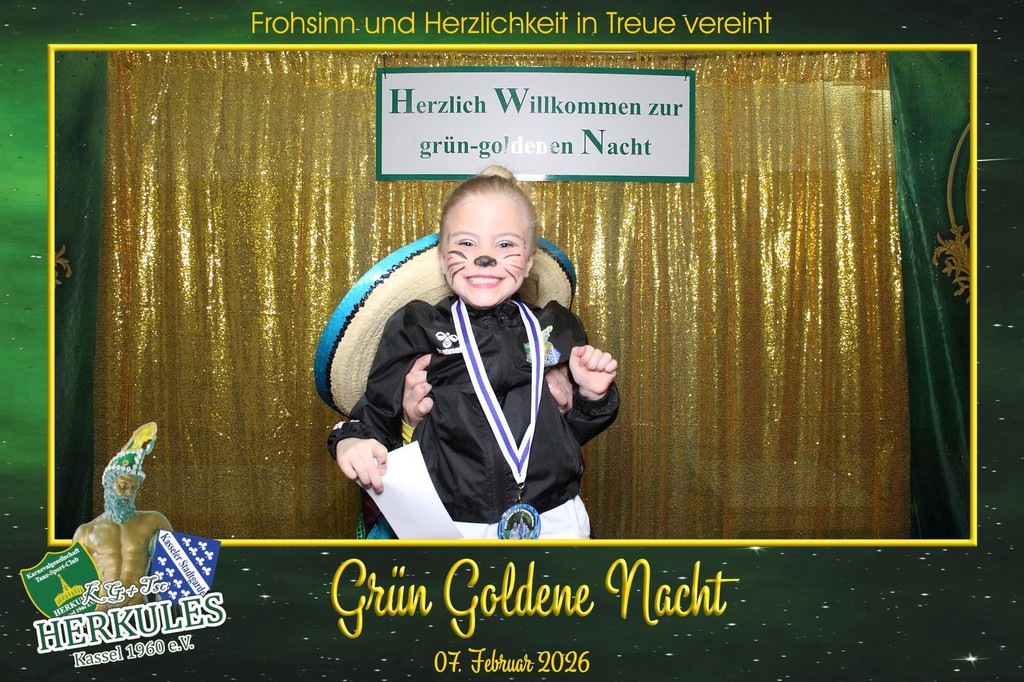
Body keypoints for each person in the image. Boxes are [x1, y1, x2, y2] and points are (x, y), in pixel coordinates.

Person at [329, 167, 619, 539]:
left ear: (529, 260)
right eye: (466, 243)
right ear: (442, 257)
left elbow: (569, 434)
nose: (484, 258)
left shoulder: (556, 327)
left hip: (555, 517)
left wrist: (593, 396)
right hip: (451, 522)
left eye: (505, 245)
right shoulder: (419, 326)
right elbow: (375, 413)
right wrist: (352, 442)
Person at [74, 422, 172, 609]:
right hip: (101, 616)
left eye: (133, 488)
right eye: (123, 486)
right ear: (108, 485)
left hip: (139, 613)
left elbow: (178, 571)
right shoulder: (85, 532)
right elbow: (75, 586)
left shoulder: (154, 522)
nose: (128, 493)